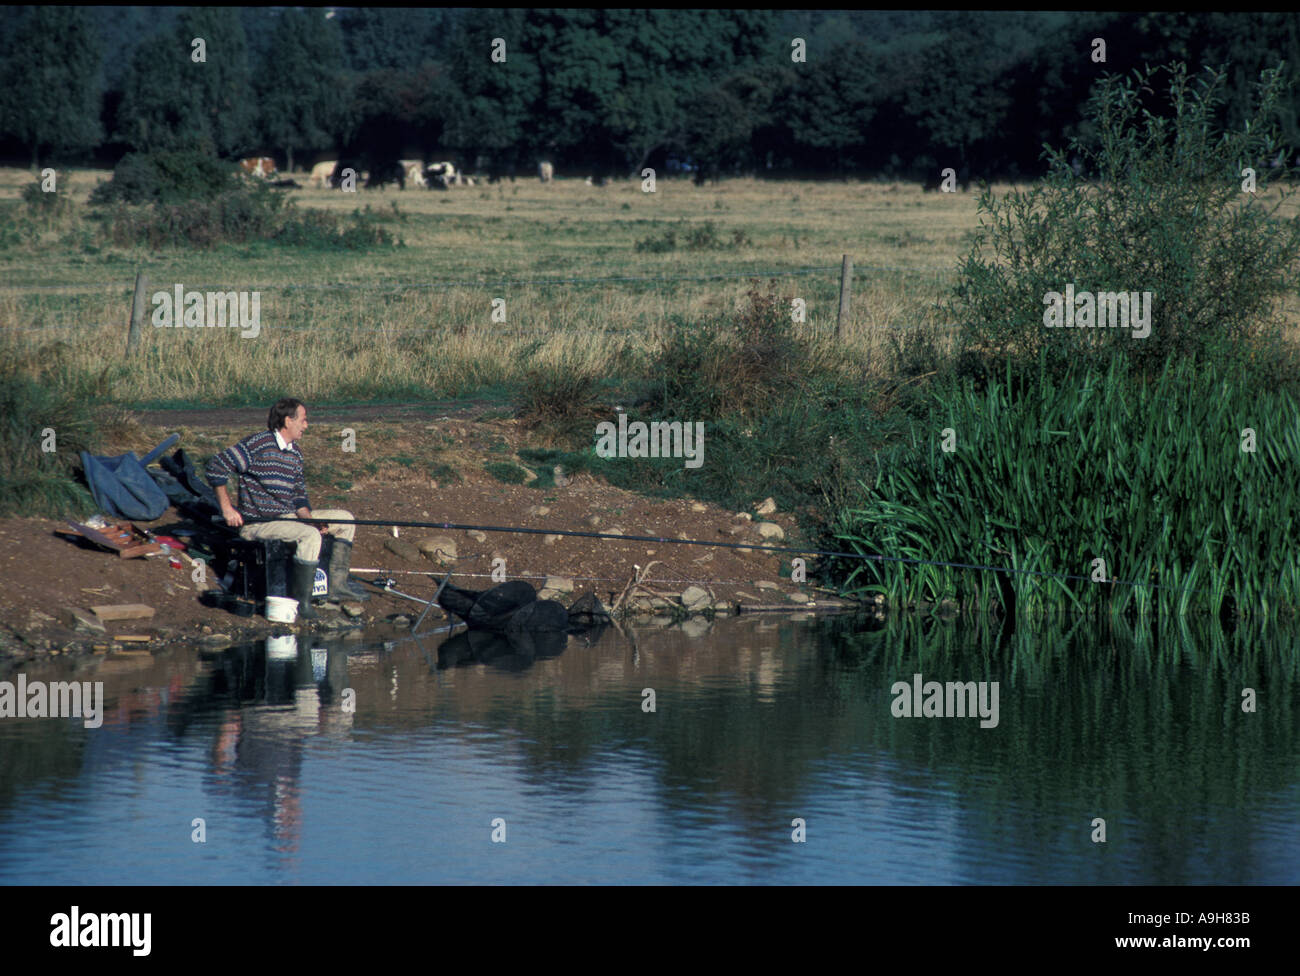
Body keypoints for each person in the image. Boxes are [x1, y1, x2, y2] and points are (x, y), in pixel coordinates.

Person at [206, 398, 368, 618]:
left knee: (345, 520)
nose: (306, 425)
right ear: (287, 420)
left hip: (289, 517)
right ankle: (303, 603)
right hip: (259, 524)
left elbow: (299, 497)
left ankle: (337, 588)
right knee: (310, 535)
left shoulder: (295, 453)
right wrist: (227, 509)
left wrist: (310, 519)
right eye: (303, 420)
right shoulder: (258, 444)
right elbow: (216, 467)